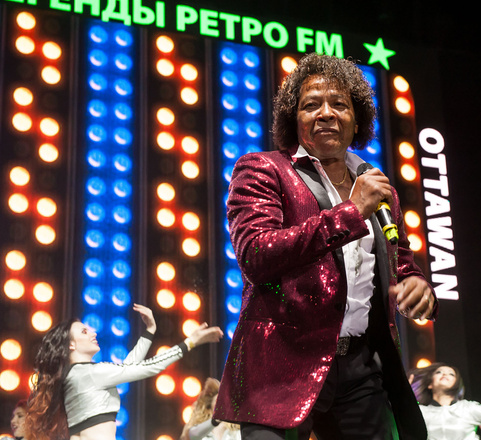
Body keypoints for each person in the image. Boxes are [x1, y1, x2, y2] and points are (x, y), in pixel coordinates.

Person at [213, 52, 438, 440]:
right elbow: (256, 254)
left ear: (357, 119)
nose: (326, 114)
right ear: (294, 119)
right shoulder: (263, 169)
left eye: (339, 104)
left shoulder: (375, 184)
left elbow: (400, 262)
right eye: (311, 105)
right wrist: (351, 212)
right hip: (283, 365)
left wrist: (416, 284)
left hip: (362, 368)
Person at [24, 303, 223, 440]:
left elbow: (128, 368)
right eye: (84, 331)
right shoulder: (90, 373)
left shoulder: (79, 375)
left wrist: (149, 332)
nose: (93, 333)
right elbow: (148, 367)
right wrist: (191, 342)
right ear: (71, 345)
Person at [409, 363, 481, 440]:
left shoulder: (469, 408)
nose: (445, 374)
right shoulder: (420, 412)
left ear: (456, 384)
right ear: (430, 384)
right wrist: (402, 393)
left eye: (451, 374)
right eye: (439, 372)